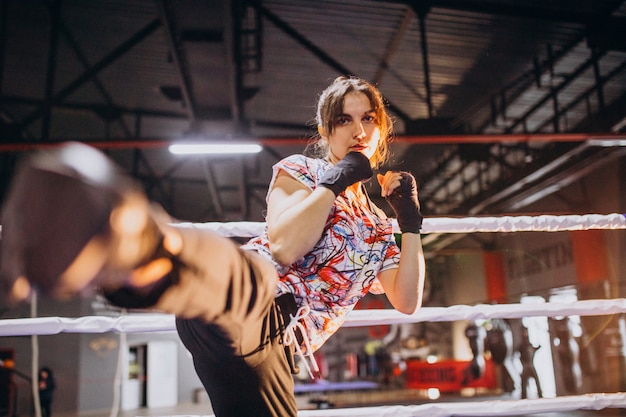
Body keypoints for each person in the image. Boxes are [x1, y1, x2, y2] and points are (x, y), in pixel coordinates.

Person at [1, 76, 426, 417]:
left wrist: (409, 223)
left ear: (382, 128)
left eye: (368, 119)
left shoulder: (379, 227)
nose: (358, 130)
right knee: (252, 277)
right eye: (344, 120)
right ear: (325, 130)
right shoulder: (303, 171)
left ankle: (146, 257)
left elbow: (406, 300)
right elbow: (283, 245)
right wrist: (335, 183)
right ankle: (142, 245)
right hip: (247, 301)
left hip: (278, 351)